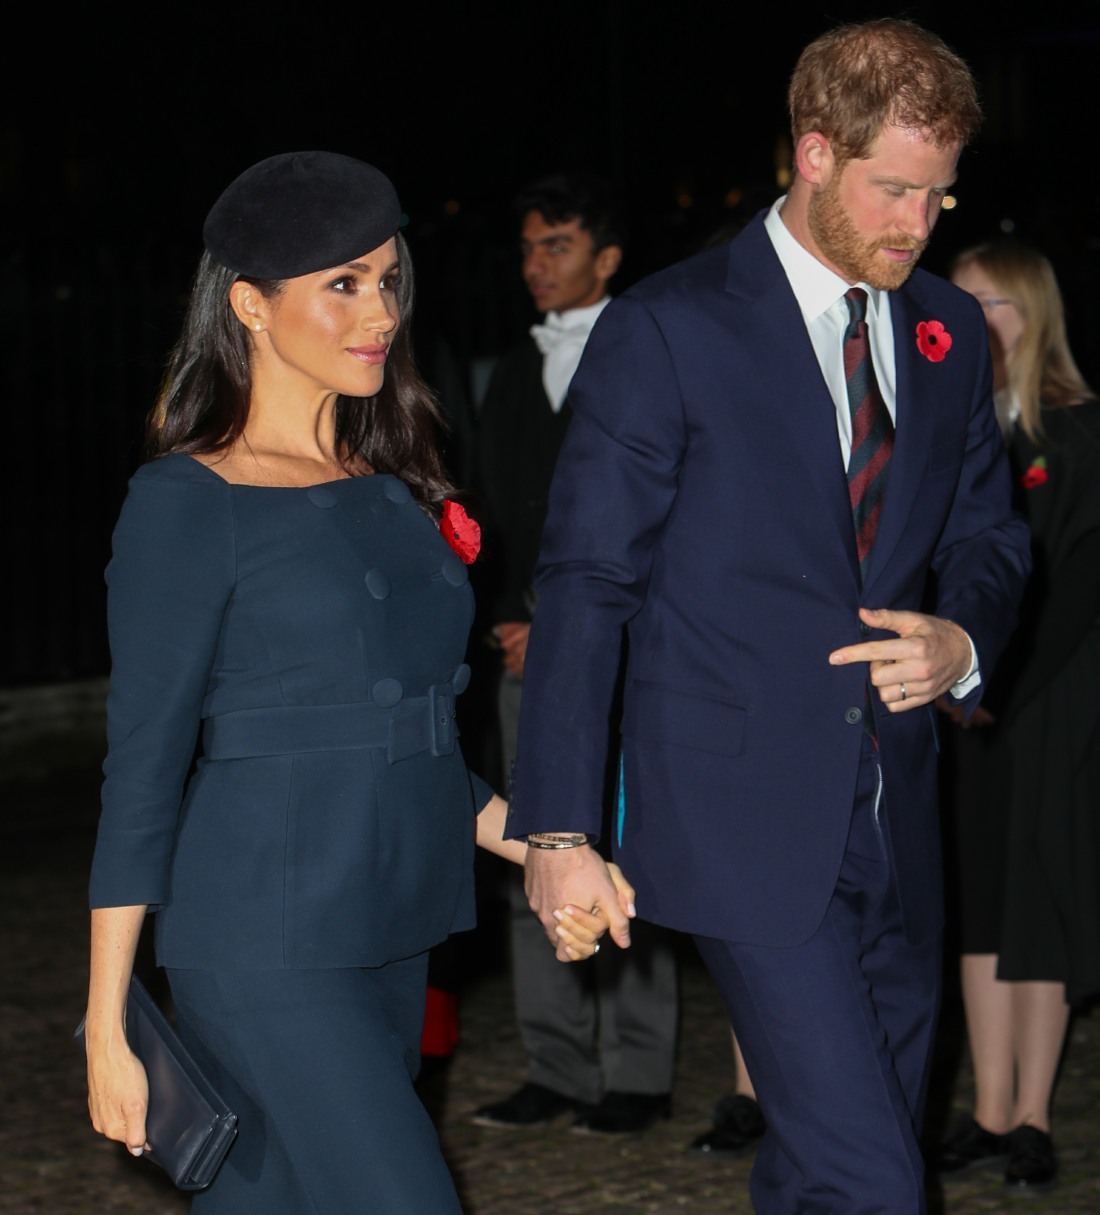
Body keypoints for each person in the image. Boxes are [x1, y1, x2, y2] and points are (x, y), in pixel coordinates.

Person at [506, 20, 1033, 1215]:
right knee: (872, 1179)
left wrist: (959, 644)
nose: (917, 221)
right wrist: (555, 830)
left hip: (900, 819)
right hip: (739, 821)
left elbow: (990, 538)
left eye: (937, 196)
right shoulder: (668, 327)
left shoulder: (946, 335)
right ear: (810, 152)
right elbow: (587, 580)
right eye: (893, 189)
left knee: (824, 1164)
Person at [82, 151, 627, 1215]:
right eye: (341, 283)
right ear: (248, 302)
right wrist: (107, 1021)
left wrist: (551, 850)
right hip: (261, 942)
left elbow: (418, 743)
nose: (378, 309)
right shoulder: (189, 501)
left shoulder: (388, 489)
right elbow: (142, 765)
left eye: (386, 278)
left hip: (390, 920)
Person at [472, 174, 679, 1135]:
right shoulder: (508, 369)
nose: (534, 265)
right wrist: (508, 620)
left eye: (555, 244)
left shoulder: (659, 353)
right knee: (533, 846)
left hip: (626, 654)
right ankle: (555, 1062)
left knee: (625, 851)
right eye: (526, 247)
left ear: (607, 256)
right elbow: (483, 513)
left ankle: (638, 1069)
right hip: (524, 650)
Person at [936, 240, 1100, 1191]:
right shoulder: (954, 430)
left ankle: (1033, 1112)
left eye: (991, 306)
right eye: (959, 306)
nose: (973, 325)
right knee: (979, 904)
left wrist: (993, 687)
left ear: (1034, 315)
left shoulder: (1075, 435)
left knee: (1039, 898)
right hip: (965, 706)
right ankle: (988, 1106)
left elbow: (1076, 587)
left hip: (1047, 702)